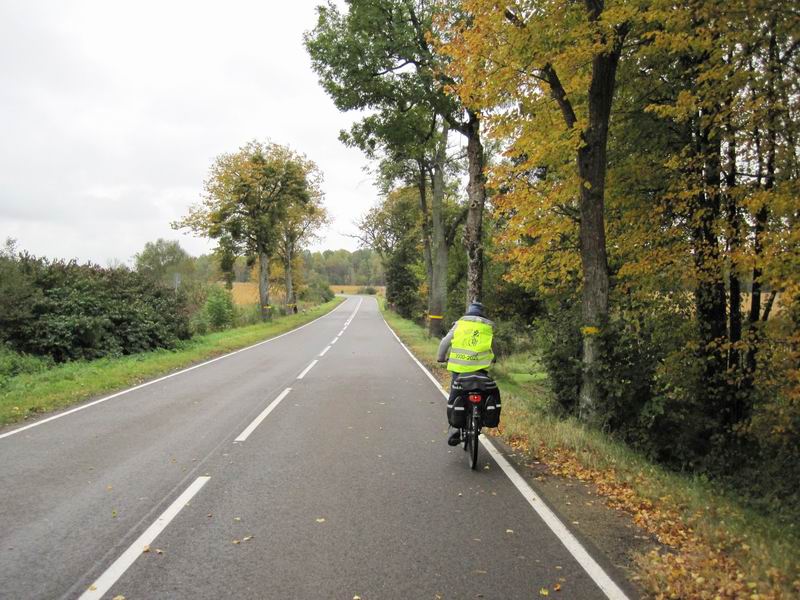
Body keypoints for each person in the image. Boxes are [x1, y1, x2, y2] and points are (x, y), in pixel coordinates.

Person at [437, 301, 498, 446]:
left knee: (457, 394)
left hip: (459, 370)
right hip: (480, 370)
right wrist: (494, 358)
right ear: (482, 314)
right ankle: (480, 418)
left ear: (468, 313)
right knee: (482, 393)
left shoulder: (460, 325)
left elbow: (445, 342)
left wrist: (440, 358)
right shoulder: (487, 327)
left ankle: (457, 426)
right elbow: (493, 346)